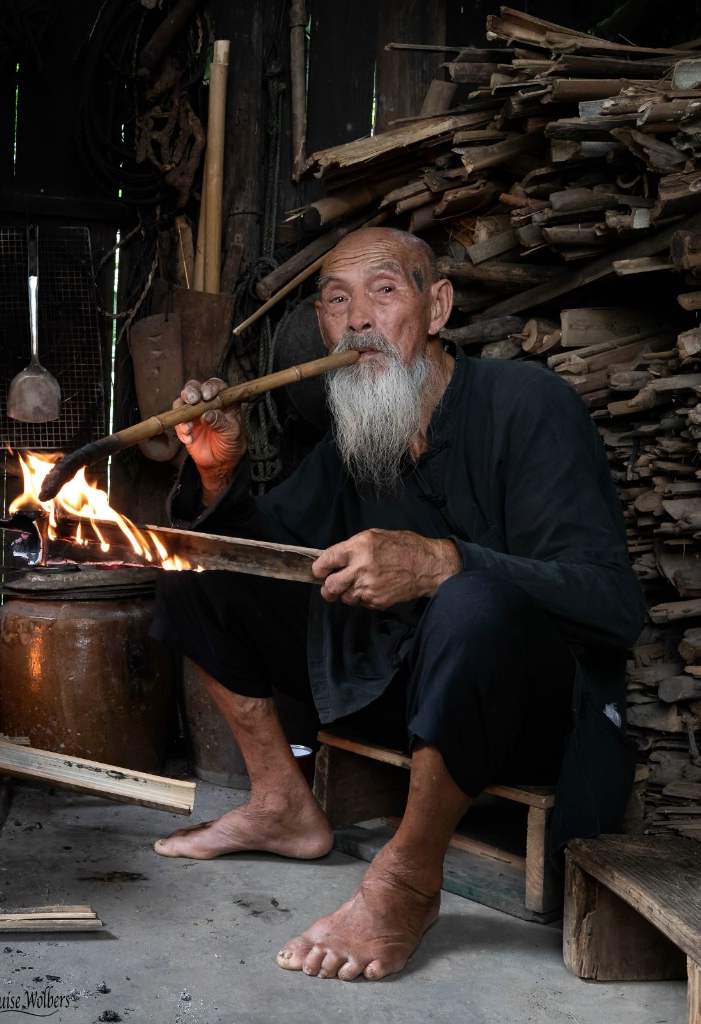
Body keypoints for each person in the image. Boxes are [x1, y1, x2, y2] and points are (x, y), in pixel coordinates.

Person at [150, 227, 646, 982]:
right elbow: (270, 556)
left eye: (383, 292)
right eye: (336, 302)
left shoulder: (528, 405)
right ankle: (282, 801)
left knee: (473, 600)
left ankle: (407, 881)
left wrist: (444, 563)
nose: (356, 321)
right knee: (193, 558)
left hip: (538, 716)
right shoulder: (361, 429)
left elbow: (612, 604)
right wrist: (221, 479)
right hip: (398, 693)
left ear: (437, 306)